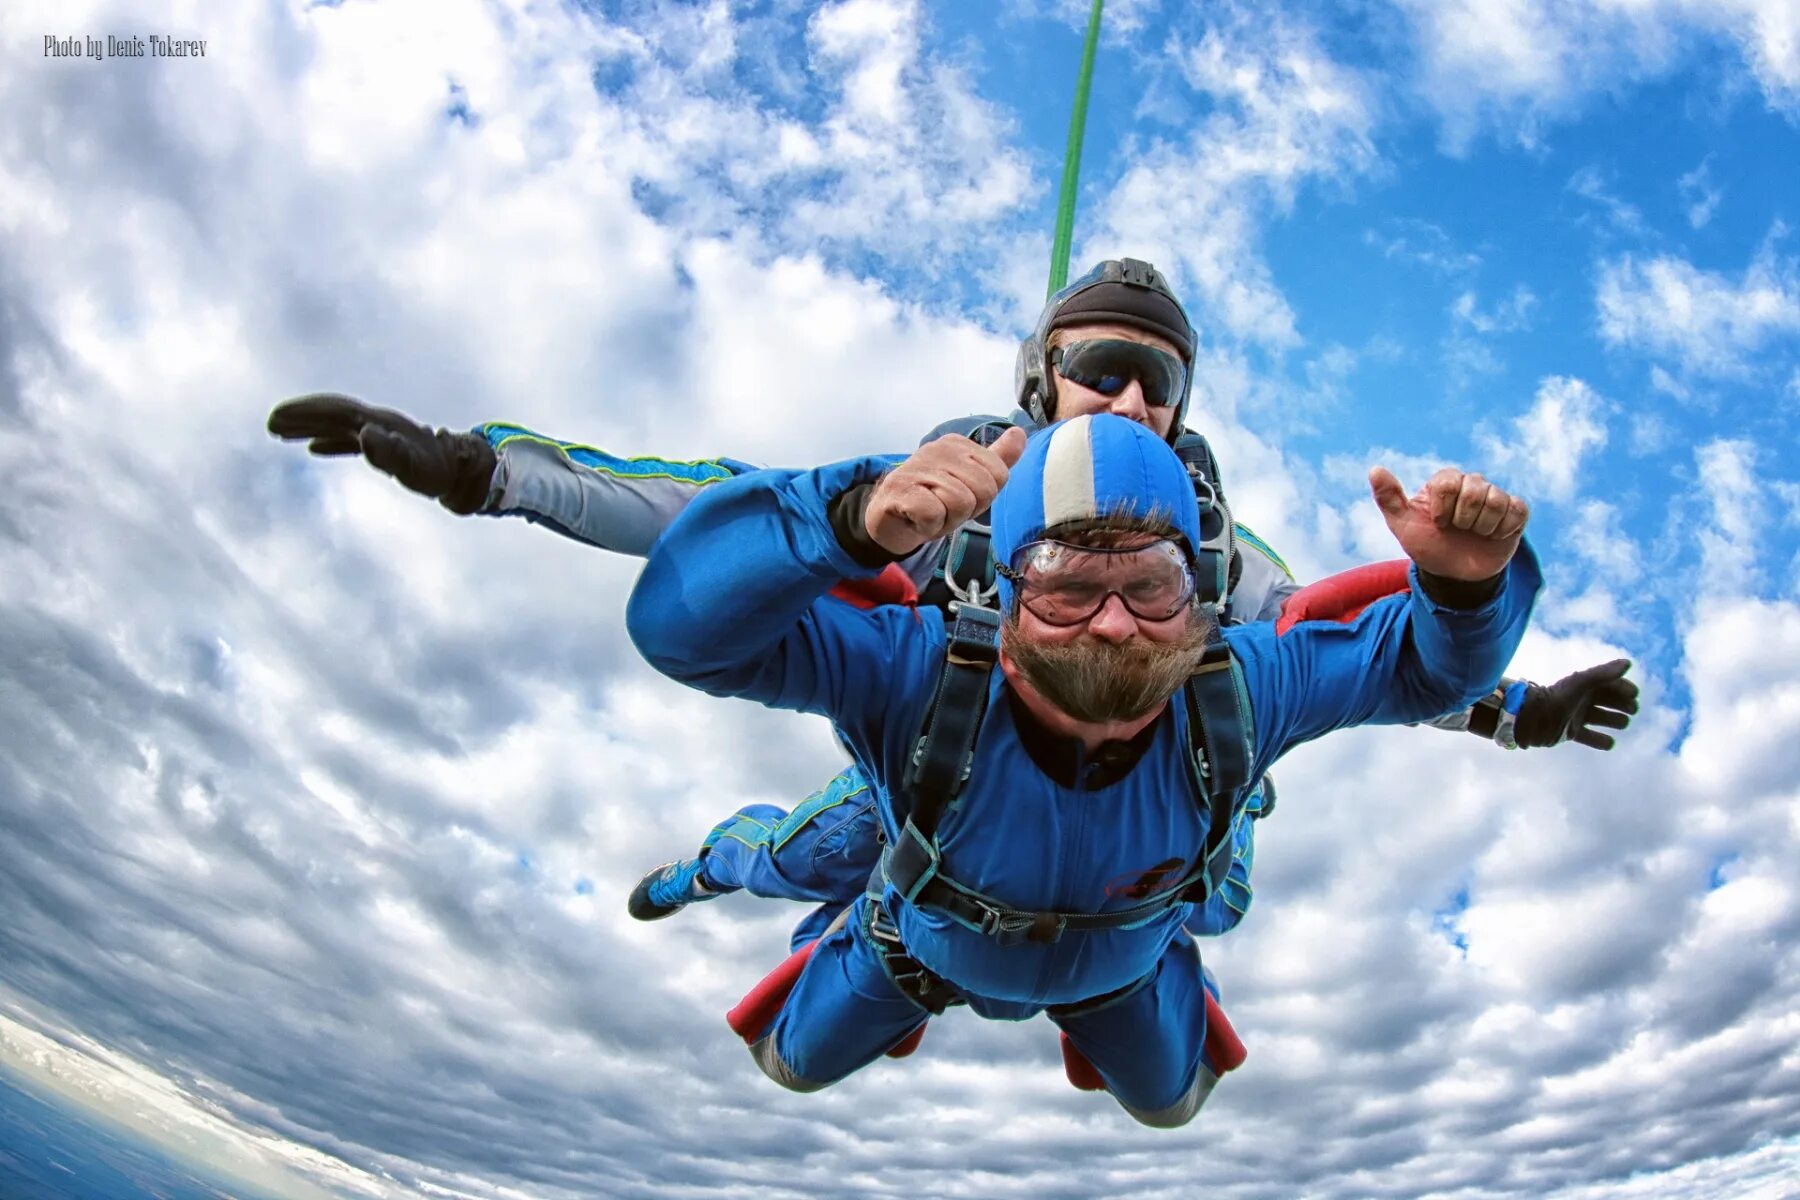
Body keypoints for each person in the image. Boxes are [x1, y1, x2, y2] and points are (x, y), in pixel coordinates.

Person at [266, 258, 1636, 943]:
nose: (1136, 399)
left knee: (1215, 896)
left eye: (1164, 381)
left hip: (1129, 805)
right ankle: (715, 865)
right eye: (1105, 364)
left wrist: (1509, 703)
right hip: (944, 765)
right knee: (813, 855)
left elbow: (1344, 643)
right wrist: (485, 471)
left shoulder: (1210, 547)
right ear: (1044, 376)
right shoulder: (954, 488)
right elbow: (711, 501)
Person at [625, 412, 1540, 1125]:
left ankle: (1203, 885)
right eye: (1067, 584)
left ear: (1199, 591)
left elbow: (1421, 670)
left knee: (1172, 1104)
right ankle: (711, 864)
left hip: (1120, 966)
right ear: (1010, 592)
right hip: (916, 943)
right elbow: (684, 630)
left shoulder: (1249, 688)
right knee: (791, 1055)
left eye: (1149, 583)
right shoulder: (917, 668)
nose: (1111, 621)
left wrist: (1466, 591)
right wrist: (846, 524)